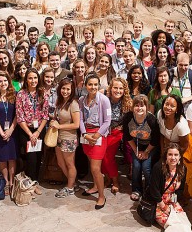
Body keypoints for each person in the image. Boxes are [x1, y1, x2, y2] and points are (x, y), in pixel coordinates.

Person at [79, 74, 111, 209]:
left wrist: (97, 135)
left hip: (99, 135)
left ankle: (102, 196)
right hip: (86, 135)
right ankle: (95, 186)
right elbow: (80, 119)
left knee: (95, 167)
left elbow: (107, 121)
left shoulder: (104, 100)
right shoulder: (81, 100)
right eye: (90, 84)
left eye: (95, 84)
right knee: (90, 161)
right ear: (86, 85)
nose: (93, 87)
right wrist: (85, 134)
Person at [156, 93, 192, 198]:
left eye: (172, 106)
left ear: (177, 109)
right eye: (166, 104)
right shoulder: (160, 114)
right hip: (168, 144)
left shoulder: (181, 124)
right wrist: (163, 153)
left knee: (182, 171)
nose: (168, 107)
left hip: (183, 146)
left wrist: (174, 158)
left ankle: (181, 197)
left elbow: (184, 144)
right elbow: (161, 135)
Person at [123, 94, 160, 201]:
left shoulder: (151, 119)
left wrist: (146, 152)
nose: (139, 108)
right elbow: (127, 136)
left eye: (142, 106)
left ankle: (149, 190)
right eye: (137, 105)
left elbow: (155, 139)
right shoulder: (128, 117)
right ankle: (137, 190)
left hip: (151, 146)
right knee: (136, 166)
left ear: (147, 107)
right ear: (133, 107)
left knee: (146, 167)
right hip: (137, 145)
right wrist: (136, 150)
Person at [49, 78, 81, 198]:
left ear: (72, 90)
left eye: (68, 89)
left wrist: (59, 126)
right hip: (59, 137)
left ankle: (70, 188)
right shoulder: (60, 101)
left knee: (70, 164)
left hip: (69, 138)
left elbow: (76, 124)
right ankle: (72, 183)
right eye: (63, 88)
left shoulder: (73, 104)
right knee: (60, 163)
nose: (65, 91)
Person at [16, 69, 49, 183]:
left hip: (39, 130)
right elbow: (20, 117)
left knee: (39, 156)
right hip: (26, 130)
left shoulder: (43, 93)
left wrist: (38, 132)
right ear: (26, 80)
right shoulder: (21, 94)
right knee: (31, 158)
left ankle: (35, 182)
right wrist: (30, 134)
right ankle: (30, 182)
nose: (33, 80)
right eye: (30, 78)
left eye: (35, 78)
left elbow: (45, 115)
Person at [0, 72, 18, 194]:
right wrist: (2, 133)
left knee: (12, 157)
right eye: (0, 81)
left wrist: (10, 130)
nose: (3, 83)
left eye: (5, 81)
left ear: (9, 81)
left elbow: (17, 115)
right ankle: (5, 181)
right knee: (2, 158)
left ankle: (12, 182)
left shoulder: (14, 95)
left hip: (13, 131)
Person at [103, 78, 132, 195]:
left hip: (117, 133)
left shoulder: (128, 103)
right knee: (102, 157)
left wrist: (122, 128)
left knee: (108, 157)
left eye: (121, 88)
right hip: (104, 132)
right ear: (111, 88)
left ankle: (115, 181)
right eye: (115, 87)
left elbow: (130, 121)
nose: (118, 90)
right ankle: (108, 178)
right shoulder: (104, 100)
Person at [147, 143, 187, 228]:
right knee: (171, 225)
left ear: (180, 156)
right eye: (170, 154)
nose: (173, 158)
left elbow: (180, 190)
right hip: (158, 201)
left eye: (176, 155)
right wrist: (164, 207)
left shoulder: (183, 169)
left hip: (172, 200)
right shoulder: (158, 168)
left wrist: (174, 203)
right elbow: (154, 190)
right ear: (166, 156)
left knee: (183, 221)